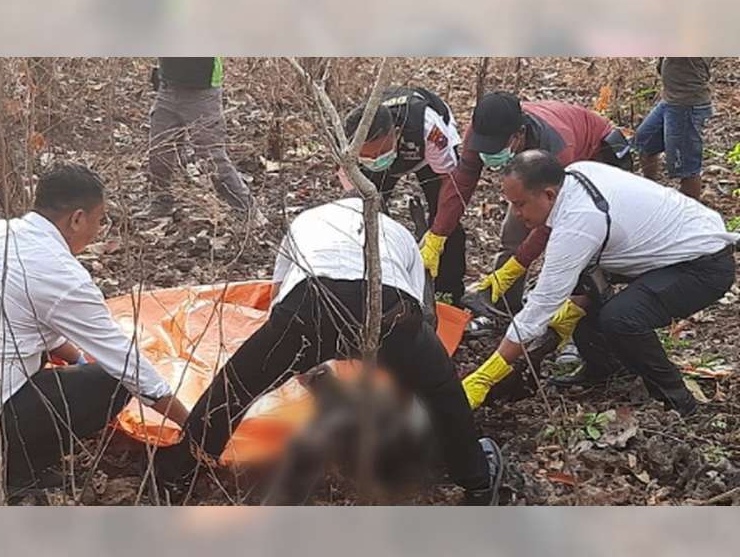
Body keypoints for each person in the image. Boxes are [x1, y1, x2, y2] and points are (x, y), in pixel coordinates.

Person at [159, 193, 504, 504]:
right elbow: (419, 312)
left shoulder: (307, 220)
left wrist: (292, 358)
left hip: (311, 303)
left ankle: (180, 470)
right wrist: (413, 369)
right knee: (442, 388)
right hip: (388, 308)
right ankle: (476, 479)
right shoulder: (397, 232)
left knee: (234, 387)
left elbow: (278, 297)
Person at [0, 164, 189, 495]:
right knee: (111, 383)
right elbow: (131, 368)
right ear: (77, 218)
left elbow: (37, 324)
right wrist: (194, 425)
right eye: (99, 221)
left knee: (67, 364)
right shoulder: (61, 275)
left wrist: (78, 362)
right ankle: (6, 471)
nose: (99, 231)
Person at [460, 150, 737, 416]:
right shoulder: (575, 175)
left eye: (520, 204)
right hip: (666, 245)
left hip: (702, 264)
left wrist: (485, 376)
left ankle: (677, 399)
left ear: (548, 194)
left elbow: (540, 308)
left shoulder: (578, 221)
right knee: (582, 281)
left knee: (620, 317)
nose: (516, 213)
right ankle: (604, 366)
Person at [420, 91, 633, 317]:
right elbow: (463, 180)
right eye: (485, 148)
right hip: (537, 168)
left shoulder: (558, 148)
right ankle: (502, 308)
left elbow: (552, 219)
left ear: (519, 134)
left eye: (496, 147)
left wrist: (518, 264)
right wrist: (437, 235)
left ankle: (577, 320)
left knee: (577, 245)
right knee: (513, 234)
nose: (488, 153)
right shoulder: (480, 131)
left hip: (594, 156)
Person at [344, 86, 466, 303]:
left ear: (397, 132)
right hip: (387, 164)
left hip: (427, 156)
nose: (375, 158)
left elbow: (451, 182)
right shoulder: (348, 140)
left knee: (446, 220)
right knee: (363, 217)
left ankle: (447, 292)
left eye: (379, 152)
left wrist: (437, 236)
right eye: (367, 155)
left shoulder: (428, 127)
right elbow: (352, 188)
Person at [148, 57, 263, 221]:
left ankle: (246, 208)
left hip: (202, 91)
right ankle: (161, 201)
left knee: (211, 157)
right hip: (168, 88)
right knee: (159, 152)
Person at [634, 57, 714, 200]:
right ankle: (650, 194)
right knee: (645, 141)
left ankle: (690, 215)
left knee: (686, 167)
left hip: (686, 105)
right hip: (670, 100)